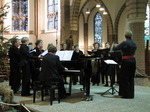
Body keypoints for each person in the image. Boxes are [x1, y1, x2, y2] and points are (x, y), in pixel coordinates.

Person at [113, 30, 137, 98]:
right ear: (131, 36)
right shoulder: (134, 43)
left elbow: (116, 48)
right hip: (133, 60)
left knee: (124, 77)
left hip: (126, 61)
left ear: (125, 36)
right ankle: (131, 94)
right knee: (131, 77)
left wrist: (116, 46)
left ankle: (126, 94)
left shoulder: (125, 43)